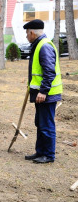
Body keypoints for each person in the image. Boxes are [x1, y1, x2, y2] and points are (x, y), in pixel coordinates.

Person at [23, 19, 62, 164]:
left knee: (46, 124)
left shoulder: (44, 46)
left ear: (32, 32)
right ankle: (40, 152)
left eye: (27, 33)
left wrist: (43, 91)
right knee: (40, 123)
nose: (26, 36)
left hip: (47, 94)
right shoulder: (38, 44)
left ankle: (49, 155)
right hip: (41, 93)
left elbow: (49, 72)